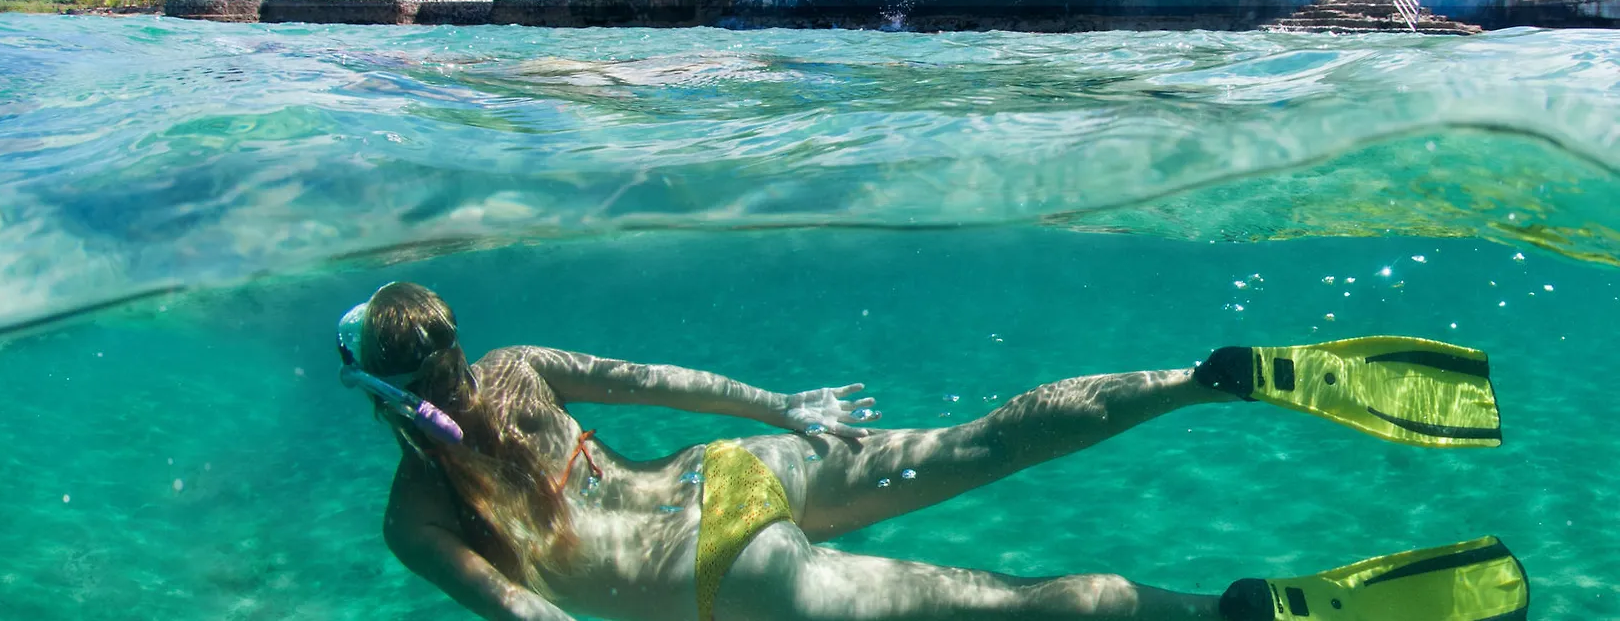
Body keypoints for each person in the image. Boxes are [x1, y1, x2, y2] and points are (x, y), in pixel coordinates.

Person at [345, 283, 1525, 621]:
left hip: (717, 578)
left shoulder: (415, 516)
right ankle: (1205, 379)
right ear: (452, 340)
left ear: (378, 395)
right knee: (983, 439)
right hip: (736, 473)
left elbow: (527, 616)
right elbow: (666, 383)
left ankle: (1238, 617)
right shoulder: (522, 366)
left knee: (1012, 606)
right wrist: (781, 406)